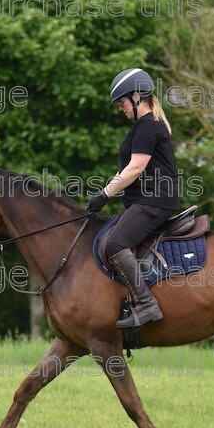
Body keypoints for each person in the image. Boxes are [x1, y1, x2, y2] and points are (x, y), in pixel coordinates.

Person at [86, 68, 181, 329]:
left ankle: (147, 305)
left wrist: (105, 194)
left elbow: (136, 168)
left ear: (137, 96)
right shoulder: (143, 128)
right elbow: (126, 170)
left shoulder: (148, 126)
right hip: (147, 201)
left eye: (122, 102)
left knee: (115, 243)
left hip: (155, 202)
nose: (121, 108)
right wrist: (105, 191)